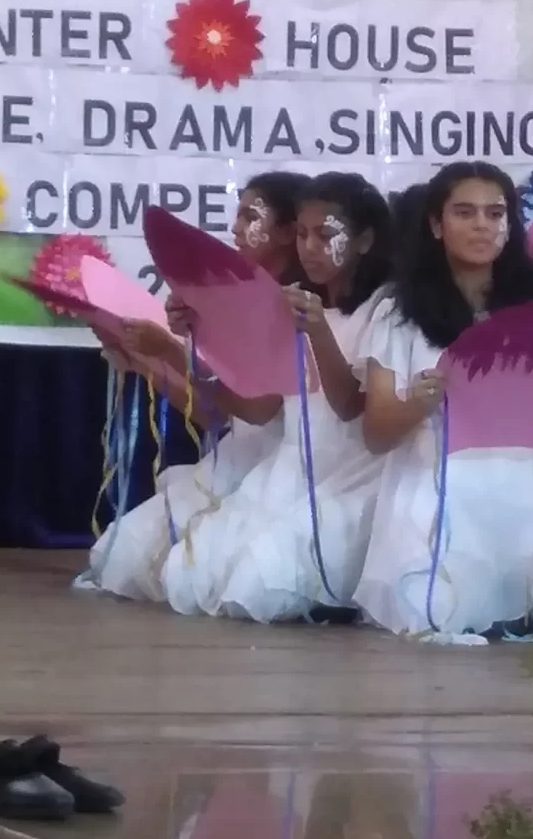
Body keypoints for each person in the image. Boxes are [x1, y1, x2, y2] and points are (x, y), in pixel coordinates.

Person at [351, 162, 533, 639]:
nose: (482, 225)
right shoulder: (398, 310)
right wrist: (420, 403)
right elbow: (376, 434)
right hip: (436, 488)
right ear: (436, 225)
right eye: (464, 212)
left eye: (495, 214)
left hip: (529, 489)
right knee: (435, 615)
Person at [164, 172, 395, 622]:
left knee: (261, 581)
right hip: (292, 468)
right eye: (303, 234)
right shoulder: (294, 303)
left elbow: (350, 406)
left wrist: (318, 332)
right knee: (195, 569)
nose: (309, 247)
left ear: (365, 241)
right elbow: (260, 407)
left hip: (355, 473)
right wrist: (196, 338)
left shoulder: (384, 308)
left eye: (325, 235)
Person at [81, 171, 306, 602]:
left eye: (250, 216)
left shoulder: (297, 307)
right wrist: (146, 361)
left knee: (206, 574)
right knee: (122, 553)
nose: (235, 228)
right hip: (235, 457)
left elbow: (260, 412)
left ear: (285, 232)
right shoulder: (237, 307)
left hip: (278, 467)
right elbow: (215, 417)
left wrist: (172, 351)